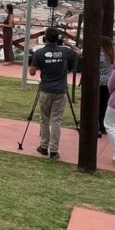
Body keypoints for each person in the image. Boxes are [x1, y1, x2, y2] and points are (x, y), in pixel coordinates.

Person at [28, 28, 77, 160]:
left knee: (44, 119)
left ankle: (43, 146)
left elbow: (32, 72)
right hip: (61, 90)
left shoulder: (39, 53)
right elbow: (79, 53)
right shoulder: (65, 52)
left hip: (45, 89)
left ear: (45, 38)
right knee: (56, 120)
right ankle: (54, 150)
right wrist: (68, 44)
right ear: (58, 38)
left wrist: (41, 65)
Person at [97, 36, 114, 137]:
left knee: (97, 106)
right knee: (104, 105)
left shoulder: (101, 56)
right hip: (108, 82)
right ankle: (103, 127)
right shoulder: (111, 55)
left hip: (99, 82)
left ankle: (98, 127)